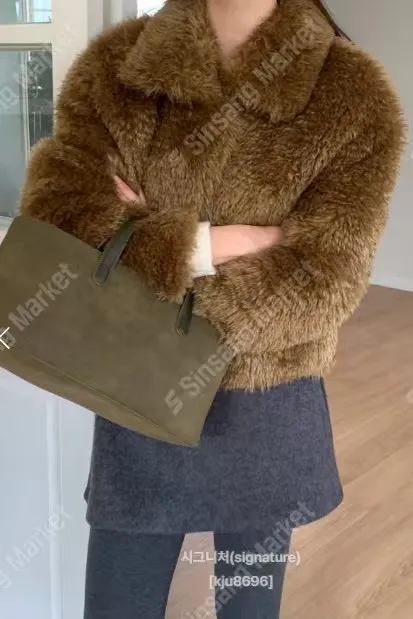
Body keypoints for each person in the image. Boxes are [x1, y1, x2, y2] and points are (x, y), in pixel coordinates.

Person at [19, 0, 406, 617]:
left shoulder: (353, 95)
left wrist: (138, 245)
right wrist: (219, 243)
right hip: (138, 396)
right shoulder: (114, 68)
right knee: (117, 603)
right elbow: (58, 223)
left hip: (264, 407)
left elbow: (326, 279)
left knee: (248, 603)